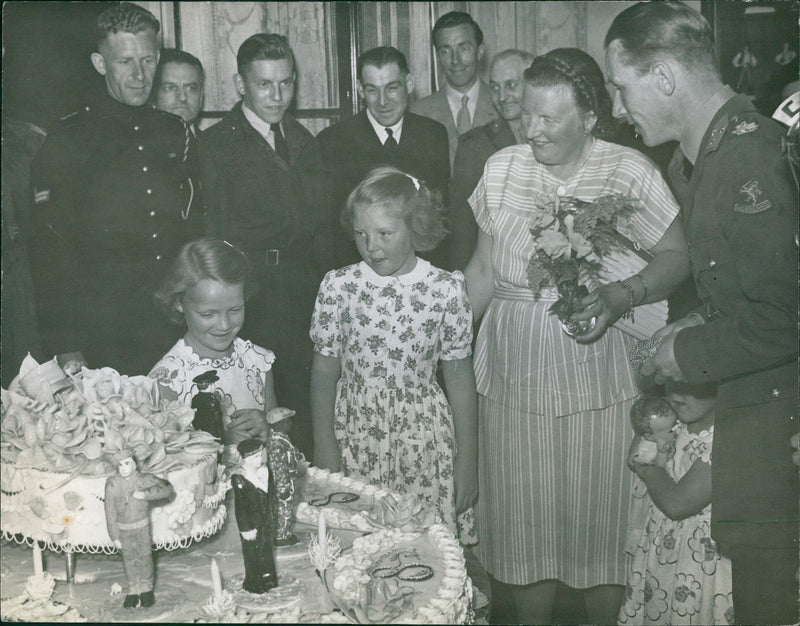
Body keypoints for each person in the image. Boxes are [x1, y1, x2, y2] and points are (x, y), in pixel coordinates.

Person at [463, 48, 689, 624]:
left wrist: (622, 295)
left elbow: (677, 256)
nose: (530, 129)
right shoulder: (502, 168)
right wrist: (443, 346)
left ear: (588, 117)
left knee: (601, 527)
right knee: (523, 530)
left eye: (547, 119)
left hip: (603, 381)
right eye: (526, 115)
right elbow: (484, 272)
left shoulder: (628, 170)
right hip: (513, 377)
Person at [605, 4, 798, 623]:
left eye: (621, 86)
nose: (616, 107)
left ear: (663, 77)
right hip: (753, 417)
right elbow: (749, 293)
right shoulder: (709, 158)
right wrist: (694, 323)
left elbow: (787, 316)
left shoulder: (747, 161)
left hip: (775, 433)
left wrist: (684, 353)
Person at [28, 2, 201, 375]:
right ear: (100, 63)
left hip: (174, 325)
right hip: (103, 332)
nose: (140, 75)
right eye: (125, 62)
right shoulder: (68, 139)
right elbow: (50, 253)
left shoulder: (175, 131)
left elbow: (196, 229)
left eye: (149, 60)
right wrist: (65, 345)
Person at [310, 165, 478, 545]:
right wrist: (324, 442)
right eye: (361, 234)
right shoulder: (339, 286)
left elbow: (459, 379)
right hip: (355, 438)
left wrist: (468, 461)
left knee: (423, 548)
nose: (371, 246)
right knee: (358, 546)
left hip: (424, 443)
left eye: (384, 233)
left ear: (415, 229)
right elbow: (323, 373)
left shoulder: (445, 289)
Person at [199, 33, 332, 460]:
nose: (277, 96)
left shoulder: (304, 139)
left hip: (303, 292)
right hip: (252, 297)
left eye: (286, 83)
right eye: (264, 84)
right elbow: (212, 233)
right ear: (241, 85)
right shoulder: (214, 146)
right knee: (252, 417)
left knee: (302, 410)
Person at [317, 46, 450, 268]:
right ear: (360, 90)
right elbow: (330, 229)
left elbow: (438, 216)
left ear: (409, 84)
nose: (382, 101)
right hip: (358, 271)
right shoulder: (332, 141)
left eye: (392, 88)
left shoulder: (433, 134)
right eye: (372, 90)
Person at [619, 382, 733, 625]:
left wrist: (648, 471)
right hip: (663, 549)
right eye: (671, 383)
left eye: (691, 385)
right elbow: (636, 452)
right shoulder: (675, 422)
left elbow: (676, 504)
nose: (675, 395)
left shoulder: (724, 438)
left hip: (701, 560)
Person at [149, 238, 277, 448]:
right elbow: (169, 458)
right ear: (179, 303)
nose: (225, 325)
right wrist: (223, 444)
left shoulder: (258, 361)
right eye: (208, 314)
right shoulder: (167, 380)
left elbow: (279, 428)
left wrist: (268, 428)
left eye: (235, 310)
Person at [448, 48, 533, 271]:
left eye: (511, 85)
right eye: (495, 87)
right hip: (495, 268)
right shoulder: (474, 144)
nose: (502, 97)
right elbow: (462, 226)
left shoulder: (554, 137)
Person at [411, 11, 498, 166]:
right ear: (437, 57)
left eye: (463, 48)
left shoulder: (502, 104)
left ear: (480, 51)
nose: (455, 60)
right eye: (445, 51)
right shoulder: (419, 113)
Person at [104, 448, 175, 609]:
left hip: (142, 527)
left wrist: (146, 494)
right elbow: (109, 512)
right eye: (120, 465)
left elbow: (167, 488)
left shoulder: (144, 479)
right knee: (129, 560)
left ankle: (146, 589)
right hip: (123, 531)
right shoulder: (112, 484)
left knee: (145, 557)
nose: (123, 468)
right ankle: (133, 590)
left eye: (127, 463)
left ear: (134, 464)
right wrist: (114, 536)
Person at [232, 438, 278, 594]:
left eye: (260, 455)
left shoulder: (265, 472)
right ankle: (255, 581)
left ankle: (269, 578)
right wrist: (246, 529)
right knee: (253, 553)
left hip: (265, 521)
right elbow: (241, 508)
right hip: (252, 524)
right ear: (245, 459)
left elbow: (271, 496)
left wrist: (273, 515)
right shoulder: (240, 479)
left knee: (266, 549)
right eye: (256, 457)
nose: (260, 460)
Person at [265, 407, 307, 546]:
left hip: (287, 481)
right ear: (280, 424)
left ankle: (285, 532)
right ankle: (281, 536)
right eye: (288, 420)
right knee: (282, 509)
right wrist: (283, 487)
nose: (291, 423)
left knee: (287, 508)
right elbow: (278, 468)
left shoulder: (282, 439)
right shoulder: (276, 444)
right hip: (282, 485)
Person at [152, 48, 204, 133]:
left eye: (191, 88)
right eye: (170, 88)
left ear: (201, 97)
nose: (183, 98)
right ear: (153, 96)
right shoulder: (134, 144)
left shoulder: (215, 145)